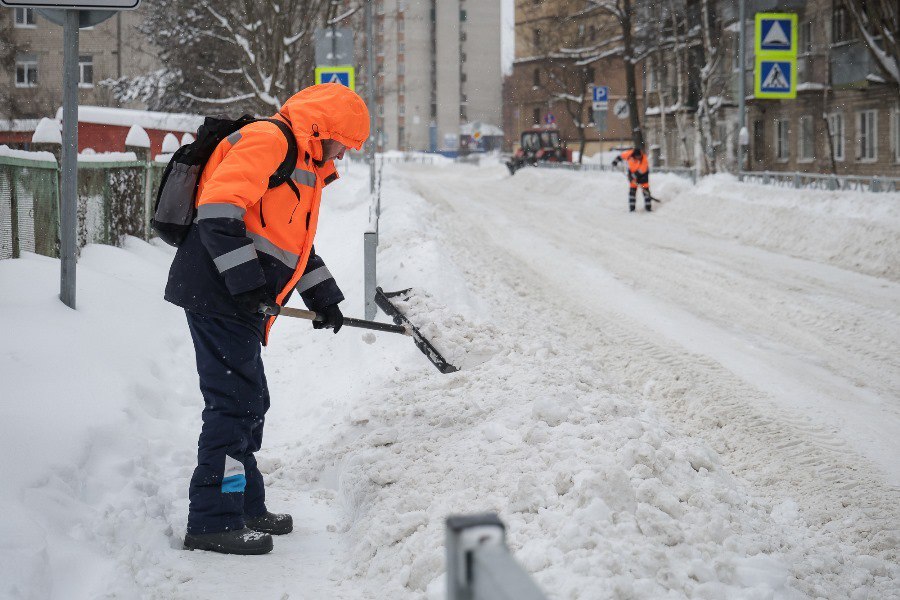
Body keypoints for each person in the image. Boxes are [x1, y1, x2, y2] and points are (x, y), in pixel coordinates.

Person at [164, 83, 370, 555]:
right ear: (325, 130)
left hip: (233, 297)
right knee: (234, 403)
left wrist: (323, 297)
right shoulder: (270, 141)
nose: (345, 153)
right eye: (345, 142)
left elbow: (290, 246)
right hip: (218, 294)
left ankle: (244, 505)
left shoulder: (304, 165)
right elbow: (217, 211)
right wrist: (247, 286)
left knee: (249, 400)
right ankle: (213, 520)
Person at [612, 146, 653, 212]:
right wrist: (615, 161)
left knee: (645, 189)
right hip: (632, 173)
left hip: (643, 175)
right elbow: (620, 156)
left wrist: (633, 176)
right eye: (637, 157)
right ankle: (632, 208)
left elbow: (642, 170)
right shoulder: (629, 154)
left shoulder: (644, 158)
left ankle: (648, 207)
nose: (639, 158)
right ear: (634, 155)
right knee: (632, 191)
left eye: (639, 157)